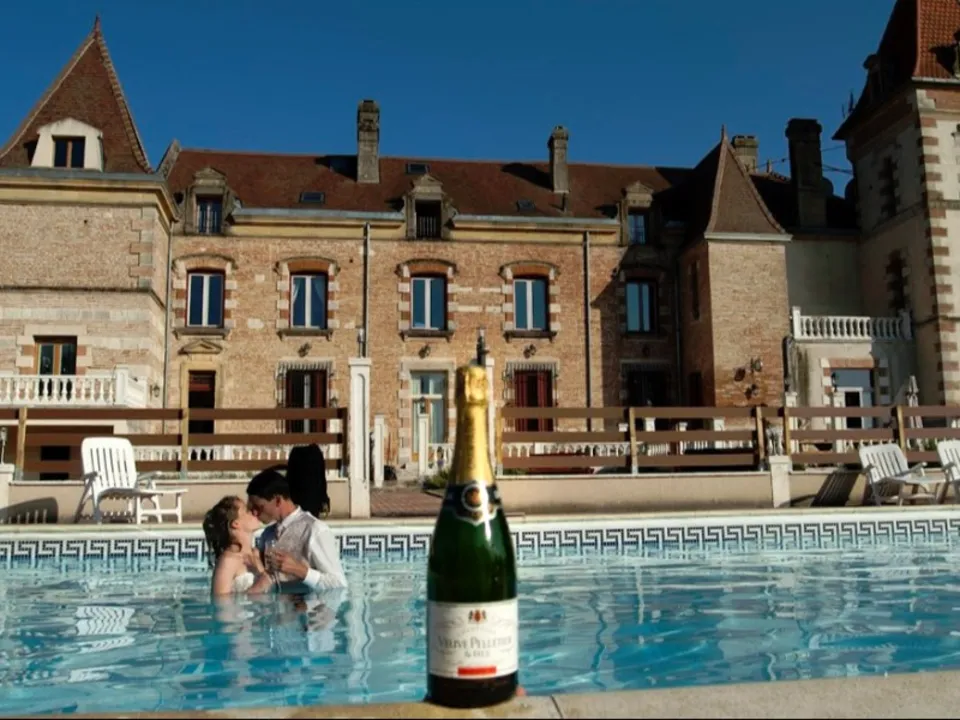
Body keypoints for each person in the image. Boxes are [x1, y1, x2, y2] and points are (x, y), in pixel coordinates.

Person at [246, 468, 348, 591]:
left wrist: (299, 570)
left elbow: (339, 583)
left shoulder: (314, 530)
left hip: (311, 602)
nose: (254, 513)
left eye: (258, 507)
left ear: (278, 501)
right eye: (251, 508)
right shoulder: (268, 534)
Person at [202, 495, 276, 597]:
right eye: (247, 511)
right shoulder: (228, 561)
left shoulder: (256, 553)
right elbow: (219, 603)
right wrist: (258, 587)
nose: (254, 512)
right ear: (235, 523)